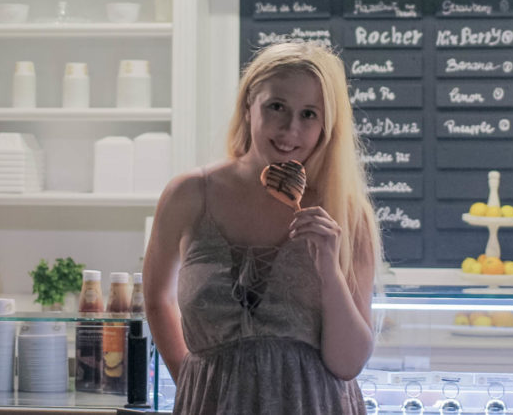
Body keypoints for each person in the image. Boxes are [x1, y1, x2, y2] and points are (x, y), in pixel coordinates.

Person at [143, 41, 381, 414]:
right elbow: (157, 299)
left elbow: (348, 364)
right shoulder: (189, 194)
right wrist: (194, 384)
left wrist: (329, 270)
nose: (290, 129)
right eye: (276, 107)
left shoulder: (345, 213)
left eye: (309, 114)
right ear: (248, 105)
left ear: (327, 125)